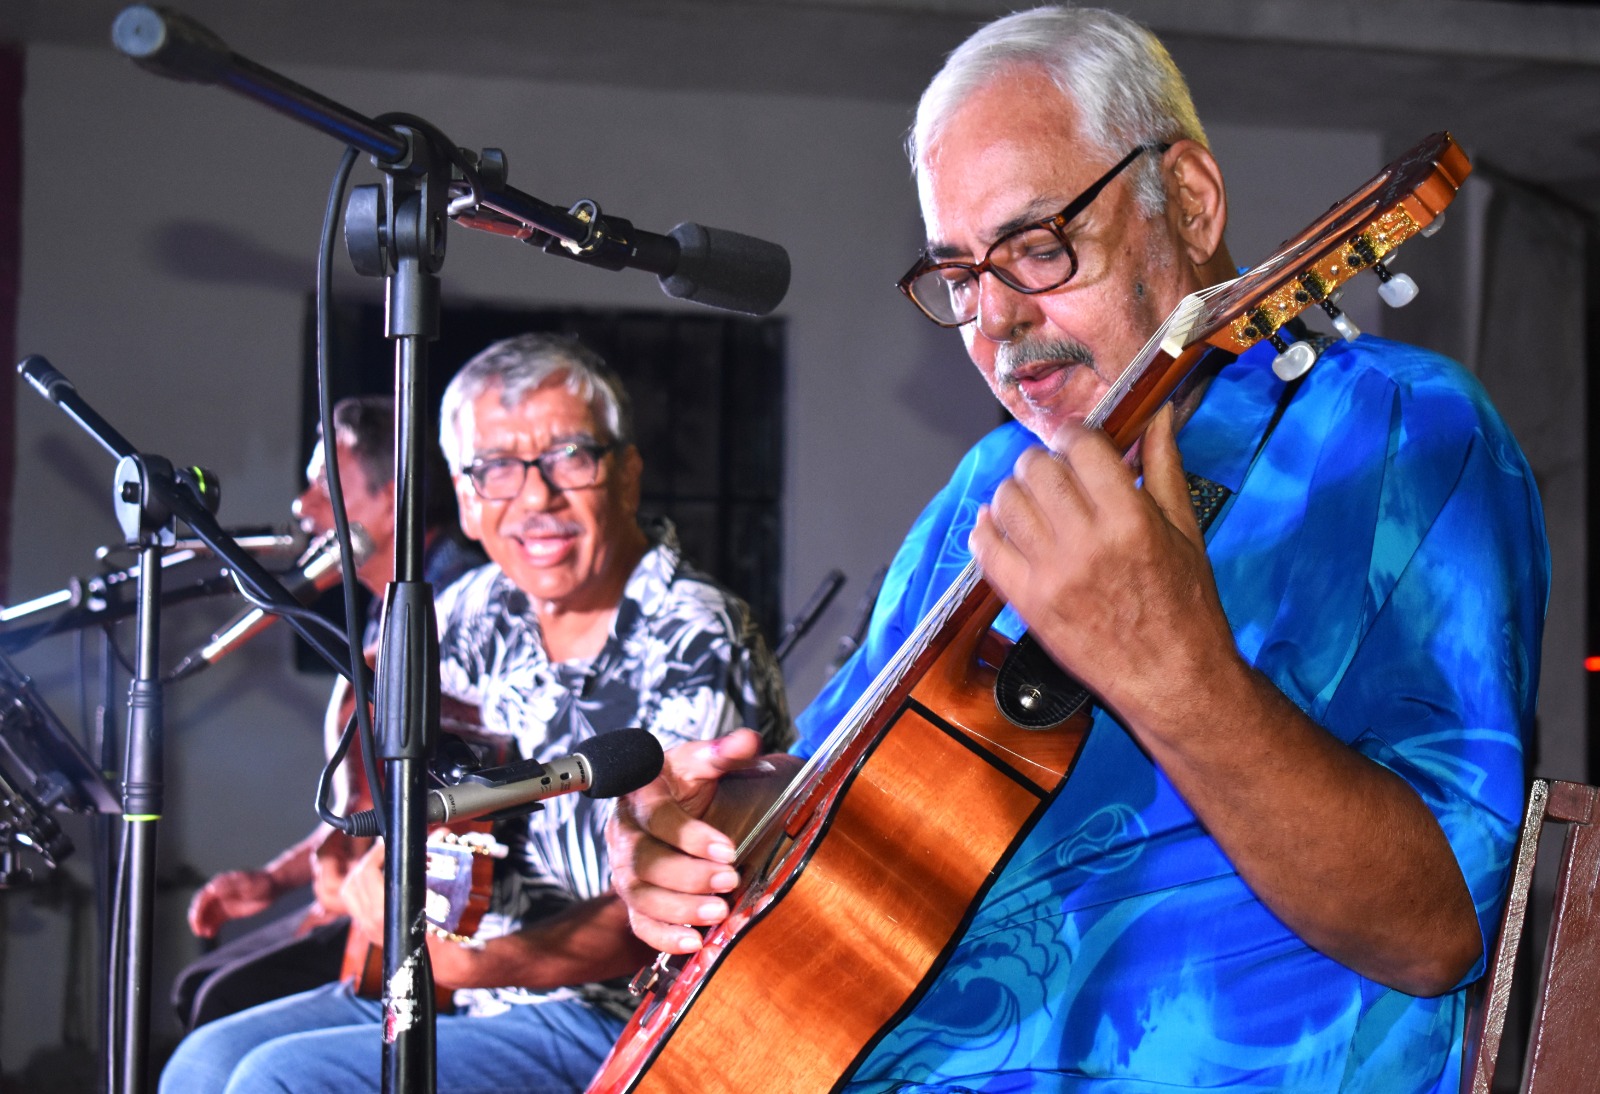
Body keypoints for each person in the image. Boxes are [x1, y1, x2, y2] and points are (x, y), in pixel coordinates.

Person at [606, 7, 1548, 1092]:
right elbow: (833, 798)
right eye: (959, 275)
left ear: (1186, 202)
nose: (994, 319)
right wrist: (703, 837)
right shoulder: (990, 482)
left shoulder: (1399, 430)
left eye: (1036, 245)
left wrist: (1177, 674)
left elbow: (1436, 930)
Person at [160, 333, 791, 1092]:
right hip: (464, 991)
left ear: (626, 476)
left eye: (571, 457)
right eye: (495, 470)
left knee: (281, 1082)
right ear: (464, 497)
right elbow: (418, 799)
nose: (535, 498)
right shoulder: (465, 610)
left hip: (620, 1015)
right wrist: (362, 862)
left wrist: (476, 965)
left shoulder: (694, 633)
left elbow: (676, 895)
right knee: (203, 1063)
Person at [173, 394, 486, 1031]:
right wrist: (276, 879)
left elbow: (456, 803)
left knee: (221, 1001)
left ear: (391, 497)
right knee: (199, 984)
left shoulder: (465, 612)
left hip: (437, 917)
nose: (303, 505)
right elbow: (375, 800)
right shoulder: (382, 609)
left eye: (324, 483)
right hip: (367, 889)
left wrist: (361, 888)